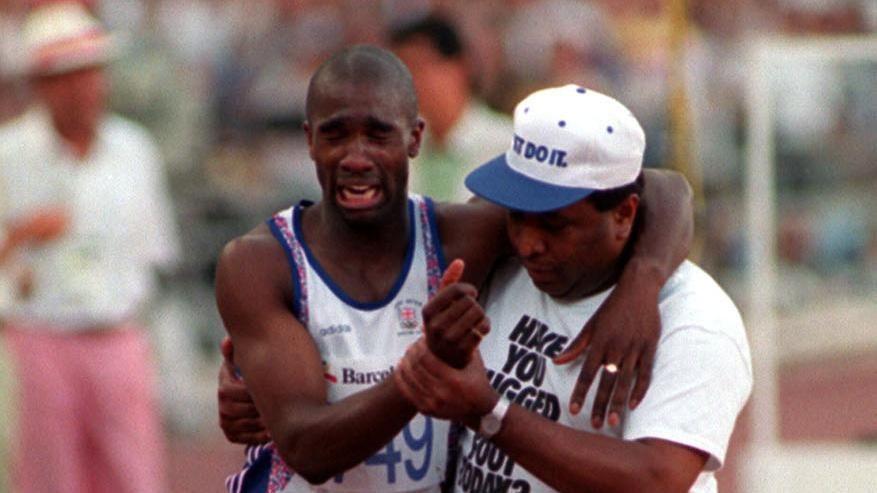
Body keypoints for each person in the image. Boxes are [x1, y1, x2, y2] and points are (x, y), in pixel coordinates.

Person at [215, 45, 693, 492]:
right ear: (309, 141)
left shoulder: (461, 236)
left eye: (379, 134)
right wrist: (428, 368)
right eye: (335, 134)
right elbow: (308, 449)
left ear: (415, 138)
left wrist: (640, 286)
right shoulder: (262, 262)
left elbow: (663, 188)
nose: (356, 158)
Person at [393, 85, 752, 493]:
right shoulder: (502, 260)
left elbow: (657, 478)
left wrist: (490, 412)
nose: (528, 244)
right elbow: (669, 188)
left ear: (623, 214)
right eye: (516, 216)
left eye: (554, 225)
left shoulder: (694, 320)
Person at [0, 3, 180, 492]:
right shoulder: (9, 155)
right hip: (38, 336)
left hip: (119, 332)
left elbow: (155, 252)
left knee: (134, 475)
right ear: (38, 84)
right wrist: (19, 236)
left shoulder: (133, 150)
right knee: (47, 478)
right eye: (63, 76)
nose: (81, 88)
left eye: (88, 72)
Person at [389, 14, 512, 202]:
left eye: (420, 66)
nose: (412, 80)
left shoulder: (505, 144)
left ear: (460, 66)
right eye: (402, 70)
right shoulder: (400, 148)